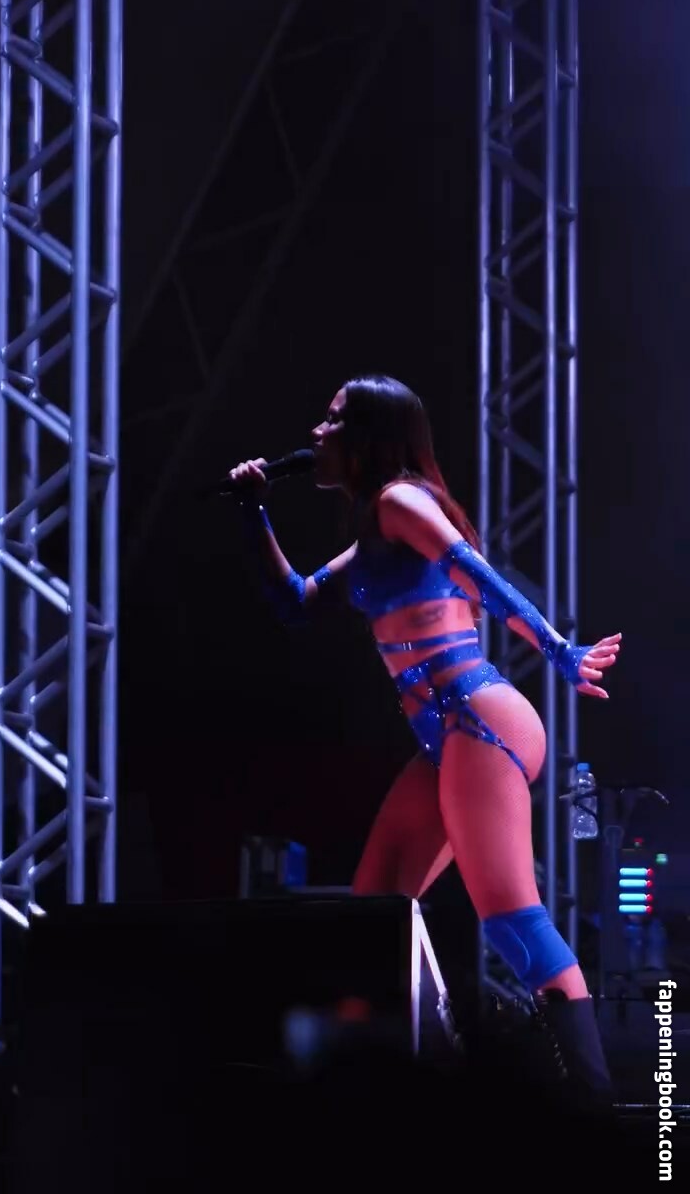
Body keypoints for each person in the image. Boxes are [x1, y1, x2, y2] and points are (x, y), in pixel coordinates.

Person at [230, 373, 620, 1100]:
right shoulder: (371, 537)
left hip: (479, 719)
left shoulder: (399, 501)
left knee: (512, 919)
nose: (317, 432)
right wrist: (254, 511)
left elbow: (476, 574)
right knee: (372, 913)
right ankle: (382, 1095)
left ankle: (596, 1109)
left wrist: (559, 649)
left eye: (333, 419)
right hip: (449, 738)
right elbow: (295, 603)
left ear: (369, 436)